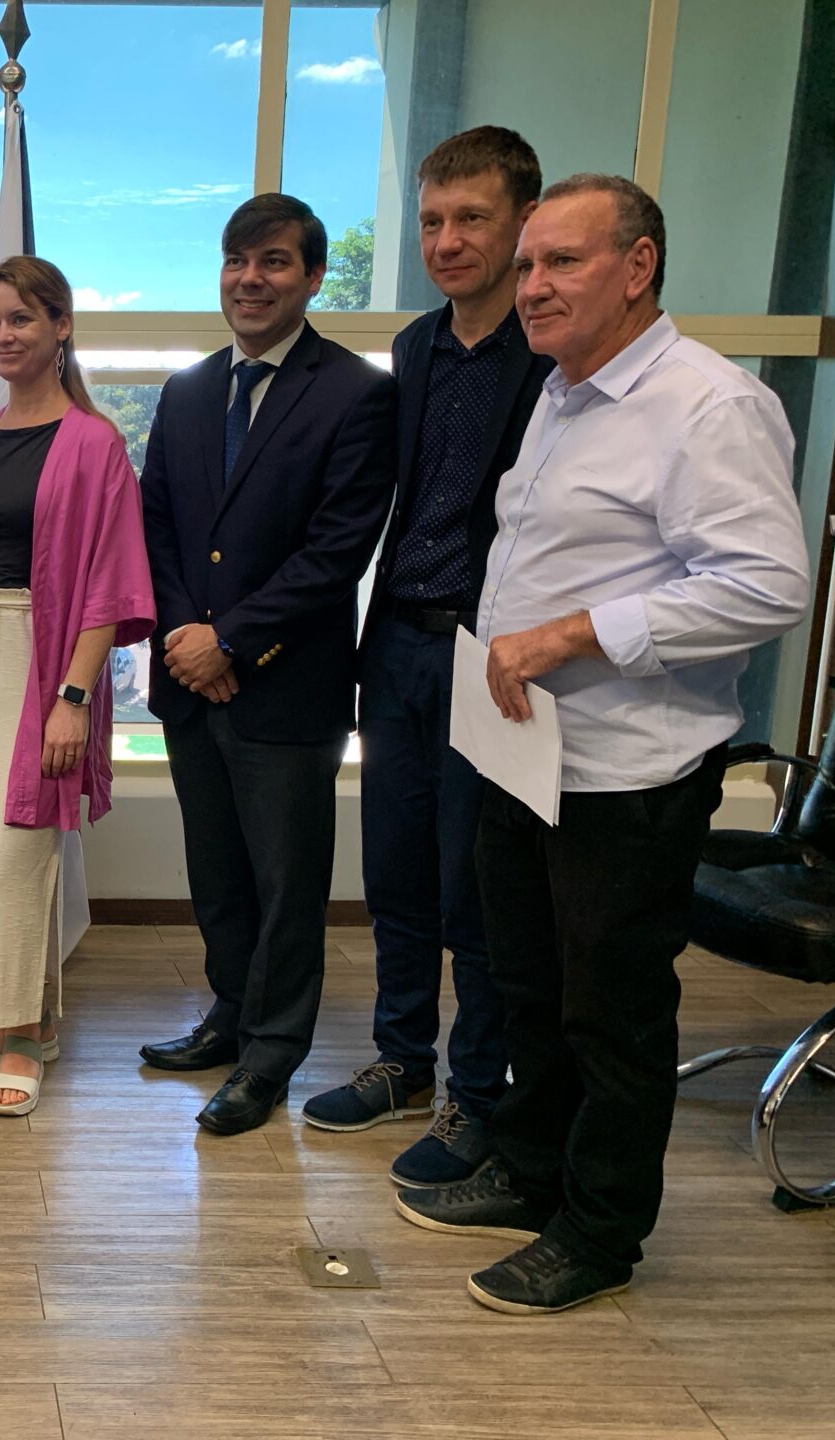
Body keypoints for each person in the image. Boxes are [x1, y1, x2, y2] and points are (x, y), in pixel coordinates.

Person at [395, 176, 810, 1314]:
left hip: (631, 773)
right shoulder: (564, 393)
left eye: (561, 262)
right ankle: (532, 1174)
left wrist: (575, 633)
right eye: (529, 264)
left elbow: (768, 585)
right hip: (529, 755)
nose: (531, 285)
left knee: (611, 1016)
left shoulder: (706, 404)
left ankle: (600, 1231)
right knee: (529, 988)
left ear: (637, 268)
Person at [302, 128, 553, 1187]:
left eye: (471, 220)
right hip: (398, 639)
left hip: (492, 655)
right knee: (395, 875)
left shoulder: (552, 356)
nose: (447, 242)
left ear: (523, 225)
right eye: (433, 221)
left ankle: (475, 1096)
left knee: (476, 893)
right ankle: (402, 1061)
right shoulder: (413, 349)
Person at [138, 194, 396, 1136]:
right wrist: (186, 637)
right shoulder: (188, 390)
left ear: (314, 277)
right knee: (217, 872)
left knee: (287, 885)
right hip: (190, 682)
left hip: (287, 688)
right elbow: (156, 526)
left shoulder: (359, 392)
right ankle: (230, 1014)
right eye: (237, 261)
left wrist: (231, 641)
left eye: (275, 262)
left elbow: (337, 551)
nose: (251, 279)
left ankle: (272, 1053)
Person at [0, 256, 155, 1117]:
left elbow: (109, 584)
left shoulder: (94, 444)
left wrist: (72, 698)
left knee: (17, 851)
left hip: (40, 659)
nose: (4, 335)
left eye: (20, 319)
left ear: (61, 326)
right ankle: (12, 1015)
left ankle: (25, 1036)